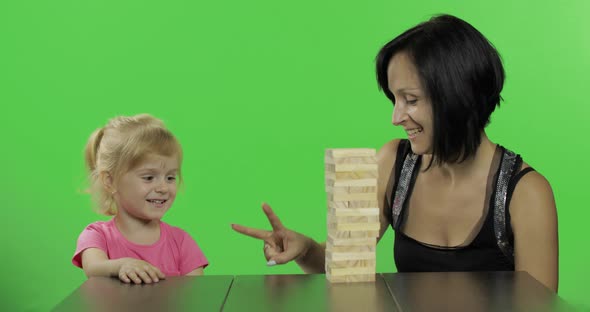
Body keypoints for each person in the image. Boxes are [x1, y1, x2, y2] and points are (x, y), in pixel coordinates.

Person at [232, 14, 558, 292]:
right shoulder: (393, 163)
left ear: (457, 97)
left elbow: (539, 307)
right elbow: (342, 263)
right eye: (394, 99)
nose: (396, 117)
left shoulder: (526, 193)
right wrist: (305, 250)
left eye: (411, 100)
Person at [72, 114, 208, 284]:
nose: (163, 188)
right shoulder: (97, 236)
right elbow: (93, 268)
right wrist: (121, 265)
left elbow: (197, 296)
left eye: (170, 178)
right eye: (149, 177)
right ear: (110, 181)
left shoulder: (181, 242)